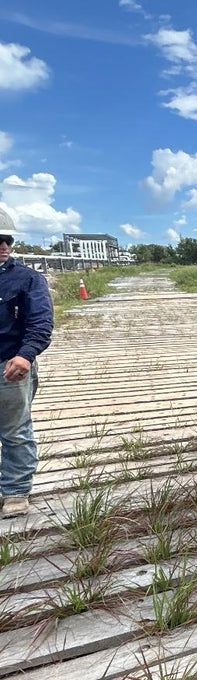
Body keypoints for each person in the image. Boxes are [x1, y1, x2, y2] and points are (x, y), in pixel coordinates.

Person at [0, 207, 53, 518]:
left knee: (15, 430)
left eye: (7, 239)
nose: (3, 246)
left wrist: (25, 354)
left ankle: (15, 491)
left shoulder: (28, 279)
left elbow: (41, 322)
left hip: (9, 365)